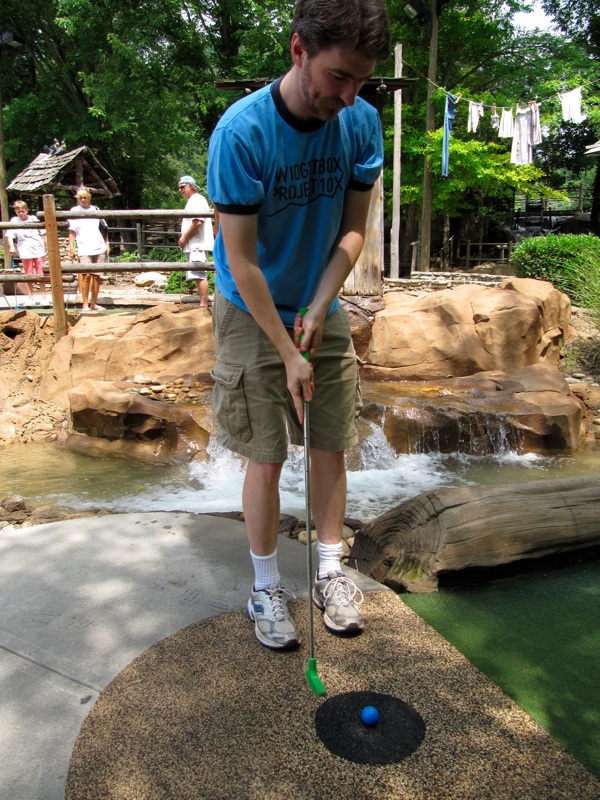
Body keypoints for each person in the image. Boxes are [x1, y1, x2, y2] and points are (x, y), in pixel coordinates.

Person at [207, 0, 391, 650]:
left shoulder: (361, 124)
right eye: (337, 76)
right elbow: (243, 260)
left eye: (359, 82)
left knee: (330, 443)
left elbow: (352, 230)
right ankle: (264, 587)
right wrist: (287, 348)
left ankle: (329, 573)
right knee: (265, 456)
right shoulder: (242, 134)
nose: (346, 95)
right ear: (297, 51)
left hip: (320, 297)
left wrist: (318, 307)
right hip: (251, 306)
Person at [68, 187, 109, 312]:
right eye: (81, 198)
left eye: (85, 197)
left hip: (98, 246)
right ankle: (85, 304)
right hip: (84, 247)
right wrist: (71, 247)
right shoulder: (74, 211)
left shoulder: (95, 210)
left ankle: (94, 303)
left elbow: (104, 228)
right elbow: (72, 231)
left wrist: (107, 243)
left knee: (97, 276)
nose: (83, 200)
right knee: (86, 275)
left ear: (89, 197)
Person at [177, 175, 214, 307]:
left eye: (183, 187)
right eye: (179, 187)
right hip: (194, 244)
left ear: (191, 186)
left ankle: (203, 305)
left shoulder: (196, 200)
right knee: (197, 273)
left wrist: (185, 237)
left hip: (197, 244)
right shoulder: (193, 200)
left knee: (199, 274)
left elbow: (198, 222)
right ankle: (202, 303)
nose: (180, 190)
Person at [6, 200, 49, 307]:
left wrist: (46, 246)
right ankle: (30, 298)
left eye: (23, 211)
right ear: (16, 211)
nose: (21, 213)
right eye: (19, 211)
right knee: (28, 273)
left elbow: (44, 233)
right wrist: (11, 247)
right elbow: (9, 236)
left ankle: (44, 297)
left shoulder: (33, 219)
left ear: (26, 210)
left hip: (38, 249)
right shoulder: (14, 220)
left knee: (40, 273)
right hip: (25, 249)